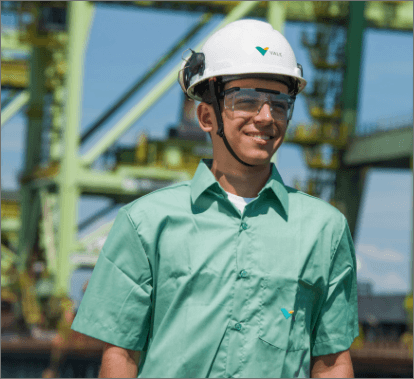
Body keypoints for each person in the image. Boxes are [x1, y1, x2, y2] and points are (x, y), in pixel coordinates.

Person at [71, 19, 358, 378]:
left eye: (280, 104)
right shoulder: (144, 223)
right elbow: (121, 357)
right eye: (247, 101)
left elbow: (332, 361)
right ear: (207, 116)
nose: (266, 117)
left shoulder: (325, 230)